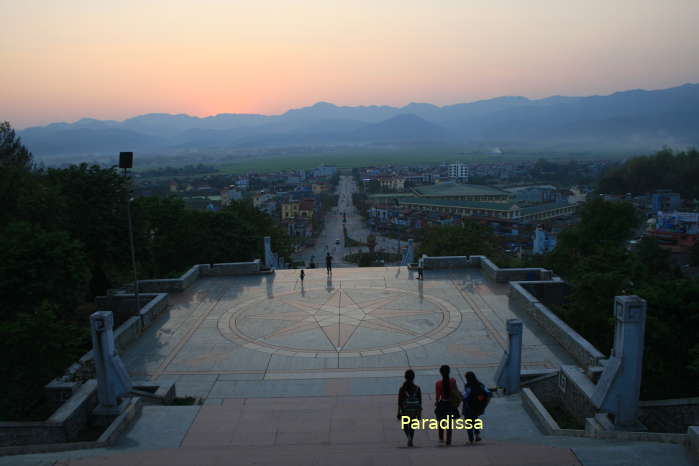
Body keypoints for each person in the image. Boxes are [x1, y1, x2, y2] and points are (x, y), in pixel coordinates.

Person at [434, 365, 461, 446]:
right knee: (449, 424)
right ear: (449, 372)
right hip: (450, 404)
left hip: (442, 404)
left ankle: (441, 438)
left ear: (440, 373)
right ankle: (448, 440)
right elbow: (456, 391)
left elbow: (437, 396)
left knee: (441, 422)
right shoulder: (452, 381)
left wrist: (436, 402)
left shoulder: (438, 383)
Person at [462, 371, 492, 444]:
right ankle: (477, 435)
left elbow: (466, 396)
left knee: (469, 422)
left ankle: (470, 439)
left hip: (468, 407)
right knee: (475, 420)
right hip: (478, 407)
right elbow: (489, 393)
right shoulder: (481, 385)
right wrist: (484, 403)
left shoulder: (468, 386)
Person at [397, 369, 422, 447]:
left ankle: (409, 438)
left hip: (405, 410)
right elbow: (420, 401)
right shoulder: (417, 388)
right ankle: (411, 439)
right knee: (412, 426)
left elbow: (399, 401)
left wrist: (399, 412)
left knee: (405, 426)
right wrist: (419, 413)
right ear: (413, 377)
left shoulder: (402, 388)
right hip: (414, 410)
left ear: (405, 377)